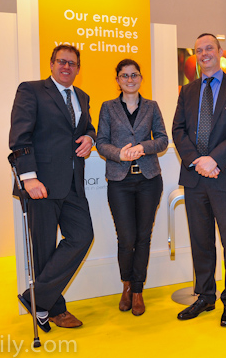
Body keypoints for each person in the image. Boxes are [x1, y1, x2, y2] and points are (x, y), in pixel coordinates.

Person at [9, 44, 96, 332]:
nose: (66, 67)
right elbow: (19, 137)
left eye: (72, 63)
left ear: (78, 68)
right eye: (62, 61)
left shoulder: (82, 96)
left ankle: (35, 299)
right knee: (43, 249)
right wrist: (29, 178)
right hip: (41, 183)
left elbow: (87, 127)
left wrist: (90, 138)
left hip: (73, 184)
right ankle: (55, 309)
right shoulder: (31, 90)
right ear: (51, 64)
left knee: (82, 236)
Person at [172, 33, 226, 327]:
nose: (204, 53)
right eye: (199, 50)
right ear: (195, 56)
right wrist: (197, 161)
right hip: (195, 178)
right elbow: (178, 130)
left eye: (209, 48)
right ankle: (205, 296)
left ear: (220, 51)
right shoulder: (187, 91)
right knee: (201, 241)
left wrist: (213, 160)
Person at [96, 59, 168, 316]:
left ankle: (138, 290)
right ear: (117, 79)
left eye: (134, 75)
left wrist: (143, 147)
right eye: (124, 75)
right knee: (126, 238)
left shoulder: (152, 106)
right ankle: (126, 284)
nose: (129, 79)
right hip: (120, 181)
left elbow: (162, 139)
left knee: (143, 237)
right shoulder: (107, 107)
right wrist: (119, 154)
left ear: (140, 78)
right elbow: (101, 142)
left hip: (149, 180)